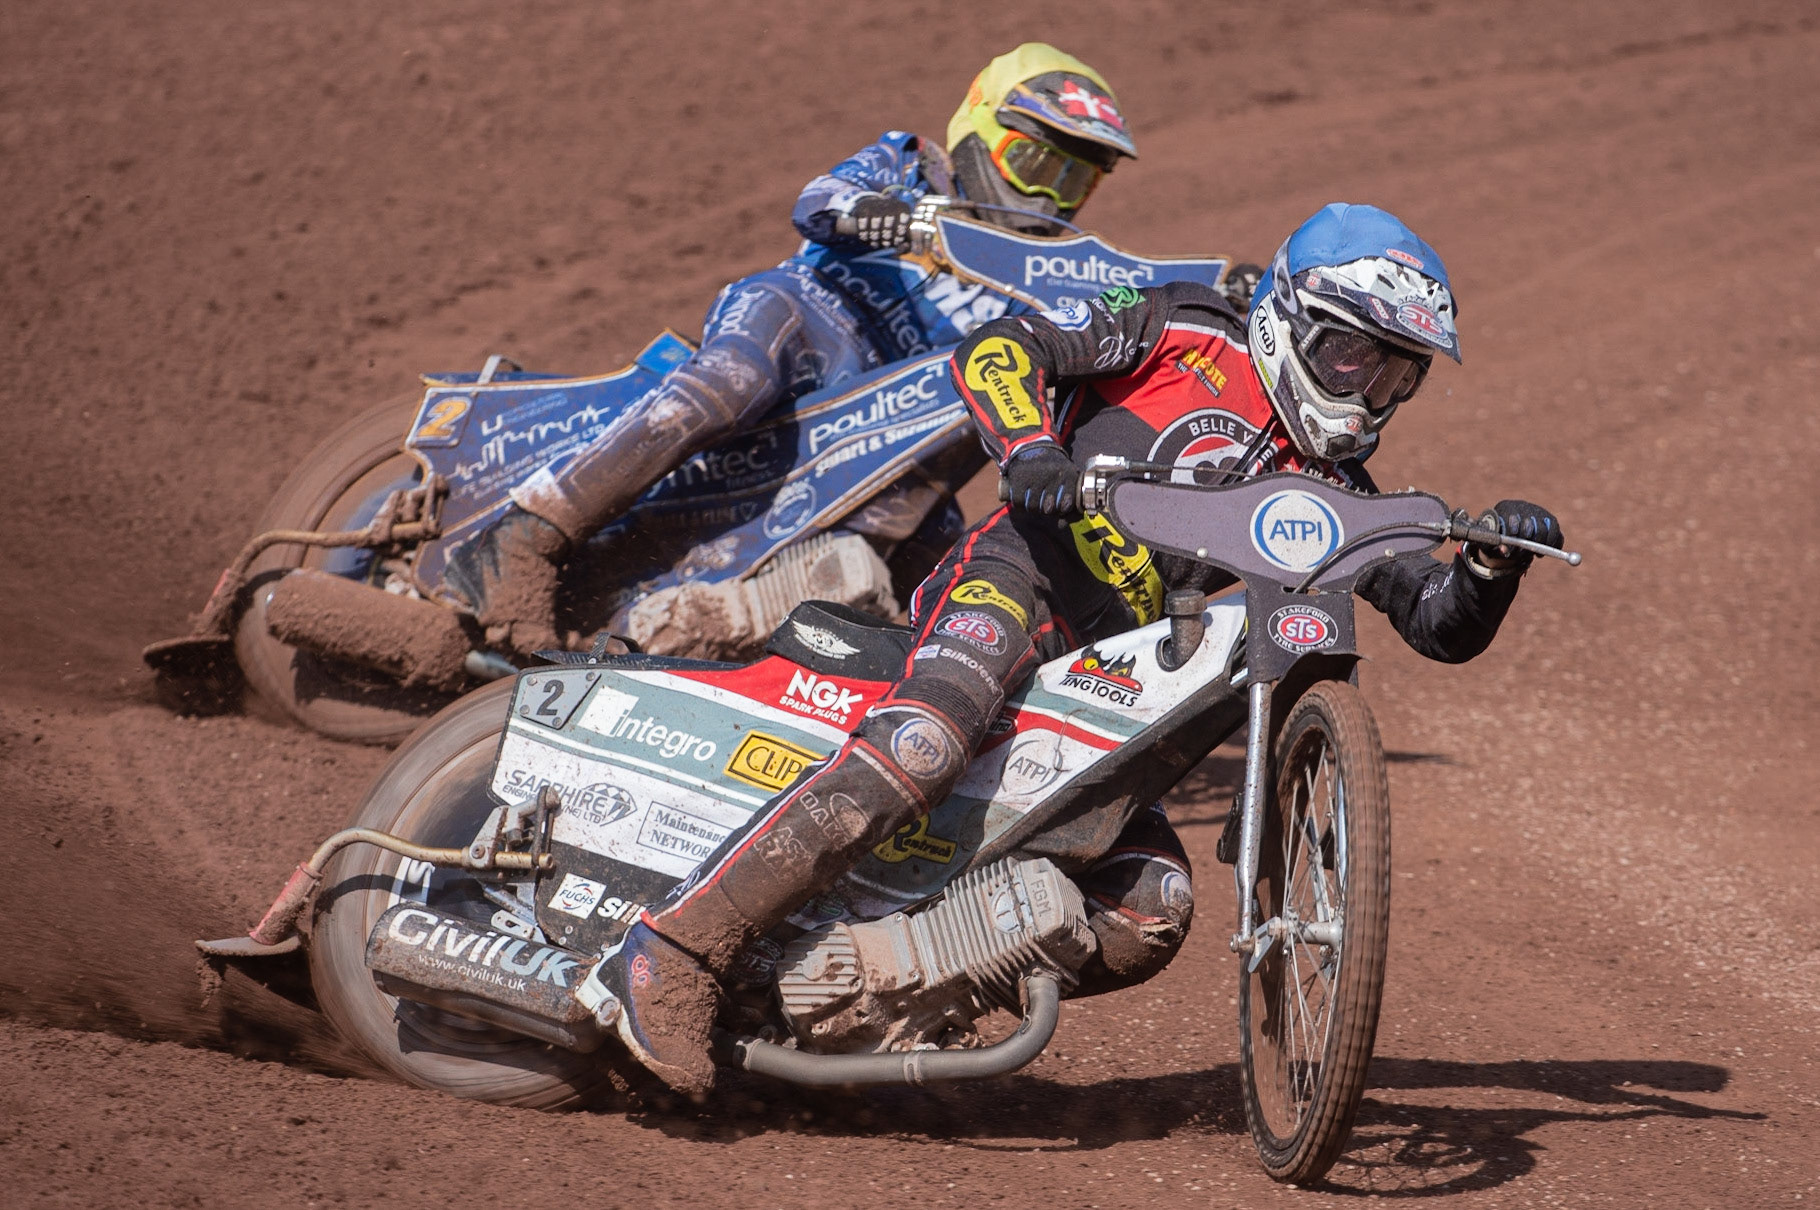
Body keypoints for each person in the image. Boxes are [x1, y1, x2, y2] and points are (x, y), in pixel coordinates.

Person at [595, 202, 1567, 1096]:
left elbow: (1432, 621)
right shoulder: (1176, 324)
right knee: (926, 740)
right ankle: (672, 952)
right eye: (1355, 355)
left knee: (1149, 908)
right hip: (1017, 576)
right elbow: (996, 351)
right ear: (1290, 317)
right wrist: (1030, 452)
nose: (1369, 390)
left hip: (1117, 675)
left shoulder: (1331, 483)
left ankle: (851, 995)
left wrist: (1487, 569)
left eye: (1398, 374)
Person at [441, 43, 1138, 656]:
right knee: (734, 377)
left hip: (883, 422)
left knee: (941, 556)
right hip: (807, 317)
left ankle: (651, 643)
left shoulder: (1042, 279)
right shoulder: (911, 164)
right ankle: (525, 537)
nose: (1050, 193)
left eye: (1074, 180)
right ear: (979, 128)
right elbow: (818, 198)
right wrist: (881, 213)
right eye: (1035, 162)